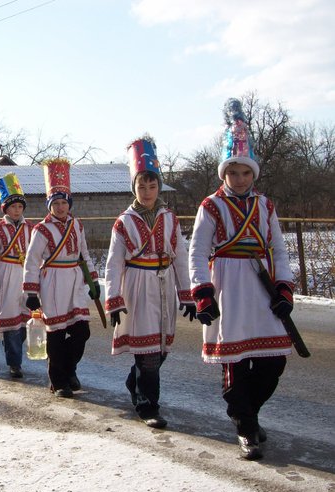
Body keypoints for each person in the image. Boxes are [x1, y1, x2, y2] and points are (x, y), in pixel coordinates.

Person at [188, 98, 295, 460]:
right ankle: (246, 427)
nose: (239, 179)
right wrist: (203, 294)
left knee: (273, 362)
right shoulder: (211, 206)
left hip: (262, 289)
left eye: (246, 173)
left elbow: (278, 249)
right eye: (233, 172)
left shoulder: (266, 206)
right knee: (234, 362)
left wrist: (284, 288)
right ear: (224, 174)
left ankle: (248, 413)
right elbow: (198, 252)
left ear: (253, 174)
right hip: (229, 289)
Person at [104, 137, 196, 428]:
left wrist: (188, 294)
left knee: (159, 348)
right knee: (148, 353)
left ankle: (136, 383)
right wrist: (114, 299)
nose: (147, 192)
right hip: (138, 286)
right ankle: (148, 406)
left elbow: (180, 256)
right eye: (141, 186)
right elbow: (113, 263)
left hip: (165, 284)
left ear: (159, 186)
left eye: (152, 186)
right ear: (134, 187)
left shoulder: (170, 217)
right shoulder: (124, 221)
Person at [23, 158, 99, 398]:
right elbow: (32, 260)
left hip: (75, 280)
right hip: (53, 281)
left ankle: (68, 369)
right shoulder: (42, 230)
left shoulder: (77, 225)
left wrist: (93, 281)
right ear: (49, 205)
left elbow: (84, 254)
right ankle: (59, 381)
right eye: (55, 203)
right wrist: (31, 292)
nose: (60, 207)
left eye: (63, 202)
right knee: (55, 333)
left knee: (81, 331)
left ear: (69, 203)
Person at [0, 172, 33, 378]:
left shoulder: (31, 228)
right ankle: (14, 363)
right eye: (13, 207)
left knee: (25, 320)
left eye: (20, 207)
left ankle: (12, 344)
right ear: (6, 208)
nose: (17, 210)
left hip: (25, 275)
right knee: (11, 320)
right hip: (5, 275)